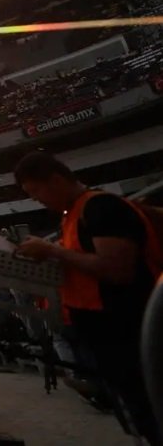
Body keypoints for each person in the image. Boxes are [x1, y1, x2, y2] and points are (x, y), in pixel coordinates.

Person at [13, 152, 162, 445]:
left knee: (151, 415)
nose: (37, 200)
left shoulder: (99, 207)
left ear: (55, 180)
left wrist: (53, 251)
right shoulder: (74, 215)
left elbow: (117, 269)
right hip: (112, 337)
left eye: (36, 191)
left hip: (132, 332)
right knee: (139, 417)